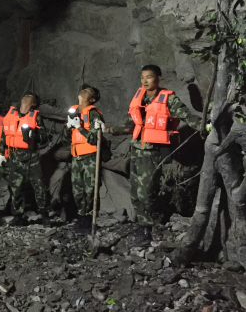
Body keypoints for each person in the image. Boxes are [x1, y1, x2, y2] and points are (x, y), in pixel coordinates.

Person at [106, 65, 204, 245]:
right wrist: (109, 129)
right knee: (135, 191)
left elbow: (187, 116)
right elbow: (130, 125)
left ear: (158, 78)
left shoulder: (168, 99)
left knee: (147, 191)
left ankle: (148, 228)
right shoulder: (139, 97)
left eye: (149, 77)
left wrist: (205, 126)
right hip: (136, 150)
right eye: (142, 77)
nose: (145, 80)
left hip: (152, 152)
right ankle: (142, 224)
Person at [0, 92, 51, 225]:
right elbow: (4, 134)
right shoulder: (12, 114)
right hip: (15, 156)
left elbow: (44, 138)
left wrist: (33, 135)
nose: (25, 97)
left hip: (31, 156)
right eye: (24, 96)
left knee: (39, 185)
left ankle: (44, 214)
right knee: (16, 187)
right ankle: (18, 216)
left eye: (29, 97)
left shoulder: (36, 118)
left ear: (33, 104)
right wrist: (1, 153)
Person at [65, 84, 105, 234]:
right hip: (76, 156)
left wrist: (81, 128)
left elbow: (95, 139)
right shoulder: (73, 112)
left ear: (92, 99)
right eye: (83, 89)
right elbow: (64, 139)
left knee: (90, 189)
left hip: (90, 156)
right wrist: (68, 127)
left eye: (88, 91)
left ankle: (89, 220)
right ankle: (81, 218)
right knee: (77, 190)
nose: (83, 91)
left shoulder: (93, 114)